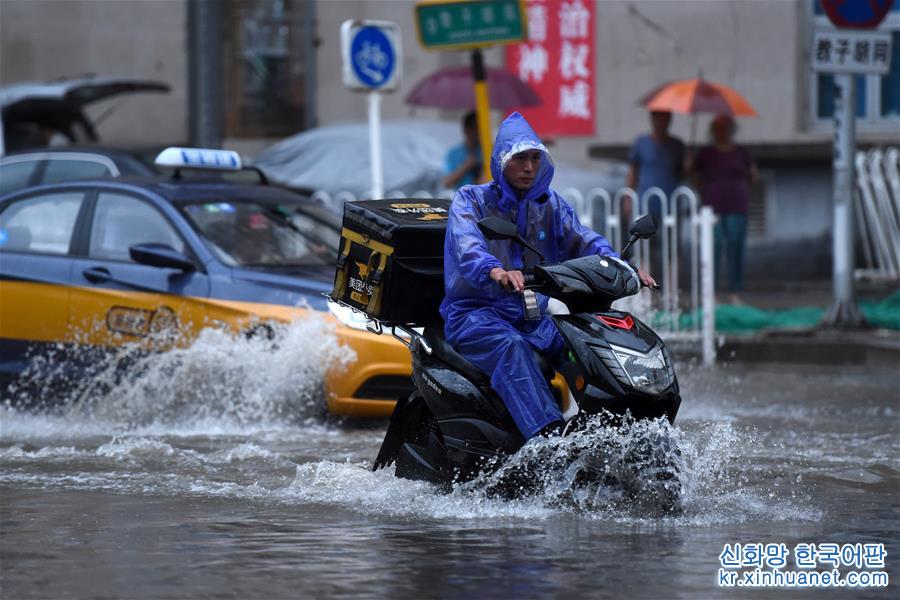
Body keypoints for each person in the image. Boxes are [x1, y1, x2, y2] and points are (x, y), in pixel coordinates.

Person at [440, 112, 655, 440]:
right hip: (475, 316)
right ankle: (546, 440)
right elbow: (467, 245)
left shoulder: (549, 204)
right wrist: (494, 270)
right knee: (512, 347)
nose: (529, 167)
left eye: (535, 158)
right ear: (501, 161)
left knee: (580, 343)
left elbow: (583, 240)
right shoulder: (471, 199)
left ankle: (615, 431)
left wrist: (620, 266)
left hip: (529, 316)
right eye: (520, 159)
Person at [689, 114, 758, 305]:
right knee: (714, 248)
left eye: (725, 127)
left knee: (735, 247)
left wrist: (742, 188)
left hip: (737, 206)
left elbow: (753, 175)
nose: (721, 131)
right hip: (712, 208)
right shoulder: (705, 153)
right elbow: (692, 174)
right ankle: (710, 292)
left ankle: (735, 292)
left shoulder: (741, 152)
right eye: (717, 128)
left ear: (731, 129)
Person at [626, 111, 686, 275]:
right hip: (645, 203)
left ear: (670, 120)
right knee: (644, 249)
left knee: (671, 248)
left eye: (665, 117)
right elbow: (633, 172)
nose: (661, 121)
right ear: (651, 119)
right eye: (657, 117)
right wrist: (628, 198)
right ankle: (646, 290)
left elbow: (682, 174)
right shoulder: (641, 143)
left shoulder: (677, 145)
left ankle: (671, 290)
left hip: (670, 205)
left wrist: (690, 165)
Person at [442, 111, 482, 190]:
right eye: (474, 128)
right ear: (466, 129)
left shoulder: (488, 151)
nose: (476, 133)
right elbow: (446, 182)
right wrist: (466, 166)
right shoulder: (453, 154)